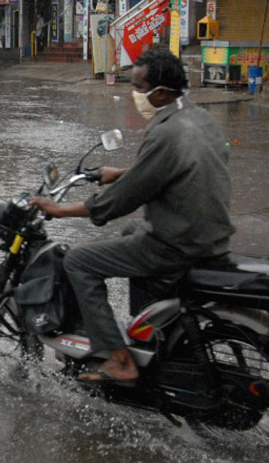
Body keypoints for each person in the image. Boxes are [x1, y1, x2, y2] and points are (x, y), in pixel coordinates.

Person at [28, 46, 234, 383]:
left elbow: (118, 203)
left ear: (162, 93)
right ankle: (147, 330)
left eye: (139, 87)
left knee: (79, 261)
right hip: (211, 235)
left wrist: (59, 209)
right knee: (132, 232)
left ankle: (120, 359)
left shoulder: (164, 132)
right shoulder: (199, 118)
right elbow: (170, 169)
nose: (134, 93)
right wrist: (125, 171)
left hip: (177, 244)